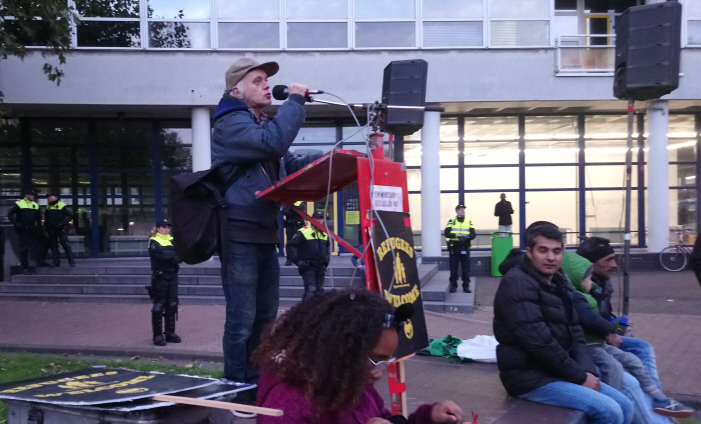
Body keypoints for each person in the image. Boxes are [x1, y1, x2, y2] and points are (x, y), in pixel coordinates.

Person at [211, 57, 321, 416]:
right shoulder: (230, 123)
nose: (264, 85)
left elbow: (284, 162)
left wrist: (330, 159)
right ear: (236, 90)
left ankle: (257, 381)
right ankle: (236, 386)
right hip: (240, 230)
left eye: (265, 80)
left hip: (264, 231)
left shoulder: (260, 123)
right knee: (242, 317)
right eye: (257, 80)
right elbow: (273, 145)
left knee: (265, 316)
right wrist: (295, 101)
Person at [493, 222, 633, 424]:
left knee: (625, 405)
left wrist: (587, 370)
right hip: (529, 378)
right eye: (543, 250)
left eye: (556, 251)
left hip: (558, 370)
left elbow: (575, 330)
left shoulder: (558, 280)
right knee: (609, 411)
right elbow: (540, 343)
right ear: (530, 252)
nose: (551, 257)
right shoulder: (517, 283)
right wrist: (579, 376)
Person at [254, 289, 464, 423]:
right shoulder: (287, 406)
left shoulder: (352, 384)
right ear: (337, 351)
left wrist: (428, 418)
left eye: (385, 361)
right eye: (374, 359)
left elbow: (382, 419)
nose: (379, 373)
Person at [561, 252, 694, 419]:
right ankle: (614, 402)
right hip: (592, 346)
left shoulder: (594, 290)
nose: (614, 265)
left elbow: (602, 316)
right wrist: (612, 328)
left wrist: (620, 323)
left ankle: (658, 397)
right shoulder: (578, 298)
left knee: (636, 357)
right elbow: (592, 320)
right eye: (608, 259)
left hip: (599, 341)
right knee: (618, 368)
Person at [147, 220, 181, 347]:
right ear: (158, 229)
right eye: (164, 227)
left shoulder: (173, 239)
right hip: (160, 276)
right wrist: (174, 257)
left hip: (172, 275)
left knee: (172, 305)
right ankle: (157, 335)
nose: (167, 229)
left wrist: (172, 257)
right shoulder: (154, 240)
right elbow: (160, 256)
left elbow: (181, 254)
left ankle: (170, 333)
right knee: (158, 307)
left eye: (168, 227)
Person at [288, 210, 330, 299]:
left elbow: (327, 247)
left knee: (320, 291)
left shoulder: (324, 233)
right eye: (317, 218)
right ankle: (304, 311)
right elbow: (289, 245)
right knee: (311, 291)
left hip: (320, 267)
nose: (319, 220)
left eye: (321, 218)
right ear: (312, 220)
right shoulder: (304, 232)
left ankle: (318, 312)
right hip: (308, 266)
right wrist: (297, 262)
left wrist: (327, 259)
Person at [7, 189, 49, 274]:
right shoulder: (19, 203)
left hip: (32, 228)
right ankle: (25, 267)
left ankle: (40, 261)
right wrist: (16, 224)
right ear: (27, 195)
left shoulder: (35, 205)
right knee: (24, 248)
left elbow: (38, 218)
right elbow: (10, 214)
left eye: (34, 195)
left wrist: (40, 229)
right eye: (32, 195)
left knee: (46, 242)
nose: (34, 196)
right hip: (22, 228)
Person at [444, 204, 475, 293]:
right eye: (461, 210)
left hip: (464, 247)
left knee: (466, 267)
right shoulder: (452, 221)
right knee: (454, 267)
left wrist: (467, 237)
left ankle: (466, 286)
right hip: (455, 247)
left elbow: (473, 234)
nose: (462, 211)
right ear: (456, 211)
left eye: (463, 210)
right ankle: (453, 285)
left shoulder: (468, 222)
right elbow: (446, 233)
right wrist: (455, 235)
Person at [43, 193, 75, 267]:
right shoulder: (48, 207)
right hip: (51, 228)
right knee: (53, 246)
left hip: (60, 228)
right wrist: (45, 226)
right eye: (48, 198)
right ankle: (56, 261)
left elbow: (70, 216)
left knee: (66, 244)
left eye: (51, 197)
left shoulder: (62, 205)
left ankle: (71, 261)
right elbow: (46, 217)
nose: (49, 199)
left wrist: (62, 223)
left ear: (55, 197)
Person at [282, 201, 305, 266]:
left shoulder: (300, 202)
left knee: (299, 241)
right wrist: (294, 210)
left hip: (298, 225)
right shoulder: (286, 202)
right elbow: (284, 212)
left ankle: (299, 258)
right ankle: (289, 259)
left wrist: (290, 209)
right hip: (290, 225)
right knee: (289, 242)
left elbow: (300, 212)